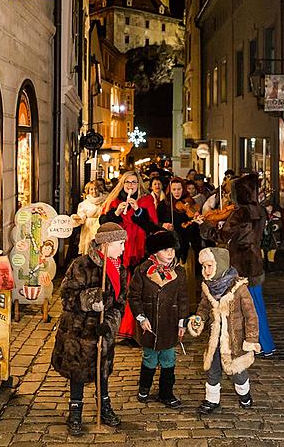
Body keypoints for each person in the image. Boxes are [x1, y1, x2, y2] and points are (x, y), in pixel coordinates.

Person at [51, 222, 127, 435]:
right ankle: (75, 410)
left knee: (102, 371)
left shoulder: (120, 269)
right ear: (106, 244)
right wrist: (91, 300)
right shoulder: (81, 265)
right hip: (79, 333)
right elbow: (66, 297)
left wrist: (110, 323)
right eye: (120, 244)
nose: (123, 249)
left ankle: (104, 406)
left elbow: (121, 301)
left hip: (101, 332)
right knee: (78, 372)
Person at [199, 173, 275, 357]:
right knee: (257, 305)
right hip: (255, 261)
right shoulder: (260, 210)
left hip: (240, 263)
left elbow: (222, 237)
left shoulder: (240, 212)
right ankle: (265, 344)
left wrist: (205, 225)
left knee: (248, 307)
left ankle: (259, 344)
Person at [188, 247, 260, 413]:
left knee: (238, 372)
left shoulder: (239, 289)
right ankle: (211, 400)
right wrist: (198, 319)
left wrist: (251, 339)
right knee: (212, 370)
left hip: (235, 340)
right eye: (204, 267)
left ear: (219, 265)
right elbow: (203, 308)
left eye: (209, 266)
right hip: (215, 339)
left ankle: (244, 394)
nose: (205, 271)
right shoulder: (208, 288)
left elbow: (251, 316)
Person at [128, 230, 189, 408]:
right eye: (165, 250)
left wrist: (182, 322)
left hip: (170, 324)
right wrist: (141, 317)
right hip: (150, 324)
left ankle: (166, 393)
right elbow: (133, 297)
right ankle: (144, 387)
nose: (170, 253)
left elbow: (183, 299)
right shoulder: (142, 270)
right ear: (155, 252)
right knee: (150, 358)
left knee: (169, 358)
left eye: (172, 249)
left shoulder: (179, 272)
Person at [99, 170, 158, 338]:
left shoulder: (146, 201)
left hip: (140, 250)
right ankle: (120, 326)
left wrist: (138, 211)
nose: (130, 185)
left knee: (137, 288)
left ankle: (137, 330)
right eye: (127, 182)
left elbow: (151, 226)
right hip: (119, 250)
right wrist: (116, 213)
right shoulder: (114, 201)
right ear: (122, 184)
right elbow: (104, 225)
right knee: (119, 286)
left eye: (133, 182)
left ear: (139, 184)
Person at [157, 177, 201, 264]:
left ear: (183, 189)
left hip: (187, 240)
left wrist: (195, 218)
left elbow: (194, 223)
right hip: (170, 240)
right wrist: (163, 225)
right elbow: (157, 222)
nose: (177, 192)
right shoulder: (164, 204)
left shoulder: (189, 202)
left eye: (179, 189)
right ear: (170, 190)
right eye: (174, 189)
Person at [71, 181, 106, 255]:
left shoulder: (105, 201)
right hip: (88, 228)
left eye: (96, 188)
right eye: (91, 189)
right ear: (88, 191)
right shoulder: (84, 204)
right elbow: (81, 218)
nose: (94, 191)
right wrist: (77, 218)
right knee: (89, 247)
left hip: (101, 226)